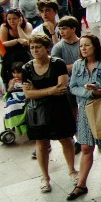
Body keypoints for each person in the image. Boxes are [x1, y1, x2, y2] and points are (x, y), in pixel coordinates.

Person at [22, 34, 77, 192]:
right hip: (37, 111)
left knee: (65, 139)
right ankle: (45, 177)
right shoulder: (27, 68)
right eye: (32, 48)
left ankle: (72, 170)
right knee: (41, 144)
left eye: (38, 47)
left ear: (47, 48)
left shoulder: (58, 63)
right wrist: (50, 90)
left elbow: (62, 88)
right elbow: (28, 94)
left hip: (58, 108)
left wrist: (38, 90)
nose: (34, 50)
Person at [67, 34, 101, 200]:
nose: (83, 48)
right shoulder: (77, 65)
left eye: (87, 45)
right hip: (84, 109)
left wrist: (100, 89)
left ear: (95, 46)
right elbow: (73, 87)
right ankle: (81, 184)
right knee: (86, 147)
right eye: (81, 46)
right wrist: (88, 93)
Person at [0, 9, 31, 86]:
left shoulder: (27, 25)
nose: (12, 21)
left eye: (14, 18)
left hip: (24, 52)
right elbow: (2, 43)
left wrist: (19, 27)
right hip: (10, 53)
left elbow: (28, 41)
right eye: (9, 19)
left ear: (20, 18)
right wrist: (17, 40)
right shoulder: (4, 26)